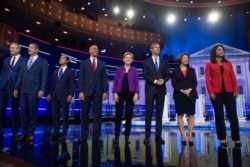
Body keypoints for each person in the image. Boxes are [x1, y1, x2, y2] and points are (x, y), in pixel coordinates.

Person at [205, 44, 241, 148]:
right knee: (219, 115)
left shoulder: (228, 63)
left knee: (233, 115)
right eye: (219, 49)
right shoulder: (209, 64)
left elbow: (233, 77)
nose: (222, 51)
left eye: (222, 50)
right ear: (214, 52)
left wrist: (236, 89)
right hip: (216, 93)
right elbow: (208, 80)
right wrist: (211, 92)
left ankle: (236, 138)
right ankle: (222, 138)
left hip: (229, 91)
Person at [14, 43, 48, 142]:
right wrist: (16, 88)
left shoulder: (42, 61)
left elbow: (44, 77)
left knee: (32, 113)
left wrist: (41, 89)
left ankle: (30, 134)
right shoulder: (25, 61)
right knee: (23, 113)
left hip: (34, 91)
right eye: (28, 47)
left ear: (37, 50)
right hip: (23, 90)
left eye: (31, 47)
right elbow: (21, 76)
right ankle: (24, 133)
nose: (29, 49)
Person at [78, 44, 108, 143]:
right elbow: (81, 78)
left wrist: (105, 91)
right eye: (94, 49)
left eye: (98, 49)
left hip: (98, 92)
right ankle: (84, 136)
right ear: (90, 51)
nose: (97, 50)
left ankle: (97, 136)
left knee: (97, 115)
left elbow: (104, 78)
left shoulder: (102, 63)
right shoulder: (84, 63)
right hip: (86, 92)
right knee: (85, 114)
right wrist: (81, 91)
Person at [142, 42, 170, 145]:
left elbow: (167, 75)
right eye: (156, 47)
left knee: (159, 114)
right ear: (151, 49)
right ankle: (147, 136)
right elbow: (145, 75)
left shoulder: (164, 62)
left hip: (161, 90)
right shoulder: (146, 62)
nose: (158, 48)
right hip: (150, 90)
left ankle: (158, 136)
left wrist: (163, 80)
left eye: (159, 47)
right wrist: (155, 81)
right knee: (148, 113)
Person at [0, 43, 27, 138]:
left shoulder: (24, 60)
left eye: (12, 48)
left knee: (14, 110)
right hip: (3, 87)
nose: (10, 49)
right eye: (10, 47)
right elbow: (3, 73)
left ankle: (15, 132)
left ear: (18, 49)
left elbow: (23, 76)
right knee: (1, 109)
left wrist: (18, 88)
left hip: (14, 88)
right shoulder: (6, 59)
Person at [171, 53, 198, 146]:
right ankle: (183, 136)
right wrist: (182, 91)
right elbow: (174, 83)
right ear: (180, 59)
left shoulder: (192, 70)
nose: (186, 59)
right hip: (179, 95)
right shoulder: (175, 71)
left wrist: (189, 90)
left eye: (187, 58)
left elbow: (195, 82)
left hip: (191, 94)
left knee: (191, 115)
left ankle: (190, 137)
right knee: (180, 116)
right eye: (184, 58)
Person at [47, 54, 75, 141]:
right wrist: (49, 93)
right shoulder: (56, 71)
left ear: (67, 61)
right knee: (55, 115)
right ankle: (56, 133)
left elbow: (72, 84)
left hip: (65, 96)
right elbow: (52, 84)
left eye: (63, 58)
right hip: (55, 96)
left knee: (65, 116)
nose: (60, 59)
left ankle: (63, 134)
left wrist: (71, 94)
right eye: (60, 58)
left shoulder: (70, 71)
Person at [113, 52, 139, 145]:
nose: (128, 59)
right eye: (126, 57)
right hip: (119, 93)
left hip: (131, 94)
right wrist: (114, 92)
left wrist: (136, 94)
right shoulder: (119, 69)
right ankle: (116, 136)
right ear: (123, 59)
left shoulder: (135, 70)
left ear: (132, 60)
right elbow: (115, 81)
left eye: (130, 58)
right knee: (118, 115)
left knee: (128, 115)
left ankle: (127, 136)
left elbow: (136, 82)